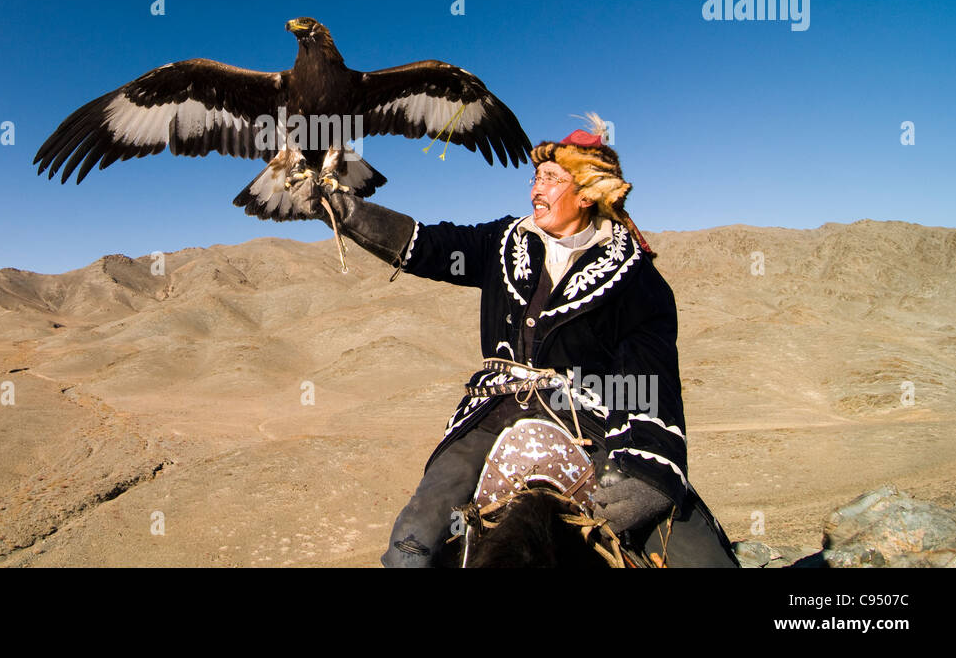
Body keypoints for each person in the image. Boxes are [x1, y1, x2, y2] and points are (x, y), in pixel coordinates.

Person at [287, 116, 739, 567]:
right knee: (412, 544)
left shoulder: (637, 279)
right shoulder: (503, 240)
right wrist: (346, 210)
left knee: (706, 562)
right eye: (535, 177)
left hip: (593, 421)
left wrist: (650, 473)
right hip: (494, 413)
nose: (535, 189)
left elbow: (650, 376)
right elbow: (428, 244)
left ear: (587, 193)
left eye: (551, 179)